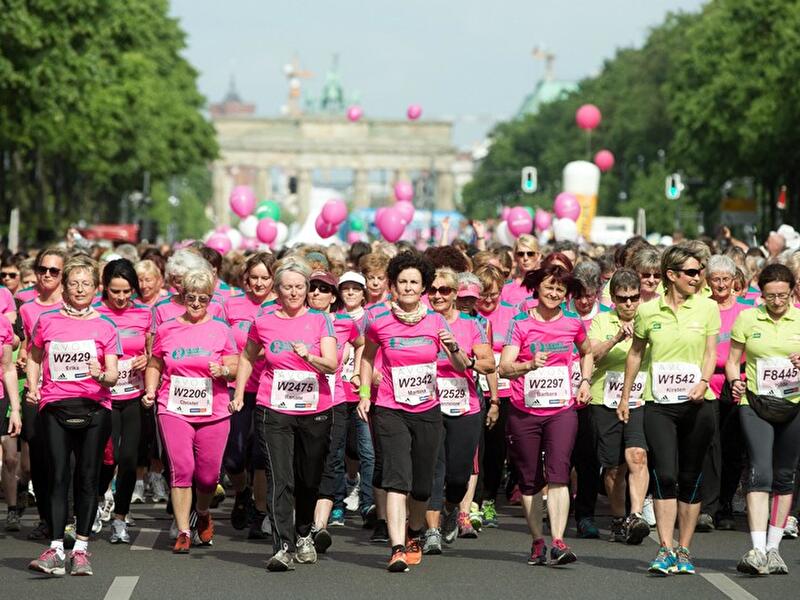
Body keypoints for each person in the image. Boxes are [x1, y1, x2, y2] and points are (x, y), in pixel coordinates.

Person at [357, 252, 469, 572]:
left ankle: (415, 532)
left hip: (427, 409)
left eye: (414, 283)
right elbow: (367, 358)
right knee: (397, 480)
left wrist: (455, 347)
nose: (407, 287)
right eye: (402, 282)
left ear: (423, 288)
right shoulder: (379, 321)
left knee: (421, 486)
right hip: (391, 408)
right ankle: (396, 547)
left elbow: (462, 367)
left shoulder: (436, 320)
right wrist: (365, 394)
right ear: (393, 285)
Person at [233, 256, 338, 572]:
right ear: (276, 290)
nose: (293, 293)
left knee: (308, 479)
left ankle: (304, 532)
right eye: (287, 287)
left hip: (315, 409)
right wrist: (239, 394)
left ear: (307, 289)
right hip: (273, 407)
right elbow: (248, 357)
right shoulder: (263, 320)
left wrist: (311, 357)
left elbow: (332, 364)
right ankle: (282, 547)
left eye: (299, 287)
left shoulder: (320, 320)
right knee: (281, 478)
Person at [621, 242, 719, 576]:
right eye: (691, 272)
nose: (698, 277)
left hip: (698, 404)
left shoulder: (707, 308)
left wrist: (704, 381)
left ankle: (685, 549)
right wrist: (624, 395)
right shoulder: (648, 311)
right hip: (659, 404)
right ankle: (664, 548)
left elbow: (710, 352)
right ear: (672, 275)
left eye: (699, 271)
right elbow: (635, 353)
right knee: (664, 475)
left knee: (691, 477)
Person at [27, 255, 121, 577]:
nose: (79, 289)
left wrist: (101, 376)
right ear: (64, 288)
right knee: (57, 476)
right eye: (73, 284)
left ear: (96, 289)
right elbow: (35, 355)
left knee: (87, 478)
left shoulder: (106, 327)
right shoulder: (48, 321)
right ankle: (55, 549)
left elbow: (112, 375)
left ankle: (80, 549)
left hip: (94, 408)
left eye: (86, 284)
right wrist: (34, 386)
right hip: (54, 405)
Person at [499, 263, 593, 566]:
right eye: (549, 287)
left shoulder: (573, 322)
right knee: (529, 480)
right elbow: (504, 366)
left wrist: (586, 381)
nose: (554, 293)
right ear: (537, 288)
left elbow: (587, 352)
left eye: (560, 289)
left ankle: (558, 541)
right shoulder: (520, 323)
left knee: (559, 474)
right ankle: (537, 540)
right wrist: (528, 366)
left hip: (561, 409)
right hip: (524, 410)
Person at [144, 267, 238, 554]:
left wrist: (223, 370)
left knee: (208, 477)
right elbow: (155, 364)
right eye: (191, 298)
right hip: (173, 407)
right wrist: (150, 391)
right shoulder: (168, 328)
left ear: (211, 299)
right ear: (182, 296)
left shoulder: (221, 329)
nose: (196, 304)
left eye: (203, 299)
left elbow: (234, 368)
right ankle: (183, 530)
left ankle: (203, 511)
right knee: (182, 469)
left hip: (214, 410)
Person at [727, 264, 800, 576]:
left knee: (785, 475)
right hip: (755, 403)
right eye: (771, 296)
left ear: (792, 292)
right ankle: (756, 549)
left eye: (783, 295)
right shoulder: (747, 318)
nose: (777, 301)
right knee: (761, 471)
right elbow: (733, 361)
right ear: (761, 293)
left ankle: (774, 549)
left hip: (794, 405)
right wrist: (735, 381)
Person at [422, 268, 494, 554]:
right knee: (432, 472)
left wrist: (462, 357)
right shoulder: (421, 321)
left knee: (457, 478)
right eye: (434, 290)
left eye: (445, 291)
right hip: (427, 404)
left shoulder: (470, 324)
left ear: (455, 294)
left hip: (465, 406)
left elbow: (489, 364)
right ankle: (431, 531)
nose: (438, 295)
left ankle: (453, 508)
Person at [587, 268, 650, 544]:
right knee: (613, 468)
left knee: (637, 456)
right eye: (623, 298)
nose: (628, 304)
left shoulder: (648, 318)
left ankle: (636, 516)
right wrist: (616, 339)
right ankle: (618, 517)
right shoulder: (601, 321)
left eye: (633, 298)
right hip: (605, 400)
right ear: (613, 298)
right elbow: (591, 355)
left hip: (639, 398)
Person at [92, 259, 152, 543]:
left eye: (127, 291)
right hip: (102, 396)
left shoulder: (144, 313)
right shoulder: (94, 312)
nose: (121, 297)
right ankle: (93, 504)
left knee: (128, 460)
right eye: (115, 291)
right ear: (105, 288)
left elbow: (153, 353)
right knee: (108, 460)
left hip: (132, 395)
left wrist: (145, 360)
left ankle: (120, 519)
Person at [309, 270, 363, 552]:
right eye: (313, 288)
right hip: (300, 404)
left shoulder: (345, 322)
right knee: (306, 463)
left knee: (332, 460)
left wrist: (355, 373)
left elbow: (363, 345)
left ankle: (320, 526)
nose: (317, 293)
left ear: (333, 296)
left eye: (323, 289)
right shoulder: (296, 321)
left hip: (335, 401)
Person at [223, 252, 275, 539]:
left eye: (264, 278)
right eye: (253, 277)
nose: (258, 283)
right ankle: (241, 491)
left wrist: (257, 353)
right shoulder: (231, 305)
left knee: (259, 456)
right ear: (245, 279)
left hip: (269, 389)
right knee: (233, 456)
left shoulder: (280, 307)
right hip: (237, 388)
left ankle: (259, 512)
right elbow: (220, 338)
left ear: (273, 279)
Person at [698, 255, 750, 532]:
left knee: (732, 448)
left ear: (735, 282)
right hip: (706, 383)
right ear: (707, 281)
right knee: (709, 446)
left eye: (725, 279)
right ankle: (708, 507)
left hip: (736, 384)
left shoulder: (746, 311)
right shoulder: (702, 309)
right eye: (715, 279)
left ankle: (726, 505)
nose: (720, 284)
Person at [18, 248, 66, 541]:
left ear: (63, 276)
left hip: (64, 393)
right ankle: (47, 518)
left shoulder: (71, 305)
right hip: (35, 391)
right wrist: (24, 358)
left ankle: (68, 516)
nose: (47, 275)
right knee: (38, 457)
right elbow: (25, 346)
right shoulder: (26, 307)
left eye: (54, 271)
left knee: (63, 458)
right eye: (42, 269)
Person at [473, 264, 514, 528]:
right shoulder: (470, 315)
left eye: (494, 294)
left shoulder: (511, 314)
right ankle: (473, 501)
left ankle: (489, 499)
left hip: (505, 390)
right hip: (473, 389)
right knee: (476, 447)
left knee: (497, 448)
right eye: (484, 294)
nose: (488, 300)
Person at [333, 271, 376, 527]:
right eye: (345, 288)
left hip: (362, 395)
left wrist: (361, 375)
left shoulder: (372, 319)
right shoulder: (332, 319)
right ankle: (337, 504)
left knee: (367, 452)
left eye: (355, 288)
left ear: (363, 293)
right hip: (336, 395)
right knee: (337, 452)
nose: (350, 293)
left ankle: (368, 503)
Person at [0, 301, 22, 532]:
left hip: (0, 399)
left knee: (11, 459)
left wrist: (15, 409)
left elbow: (7, 368)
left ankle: (13, 508)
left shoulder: (3, 324)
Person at [500, 234, 540, 306]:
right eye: (521, 254)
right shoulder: (506, 288)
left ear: (538, 256)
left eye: (530, 253)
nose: (525, 258)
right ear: (515, 257)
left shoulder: (545, 284)